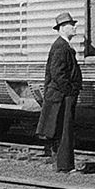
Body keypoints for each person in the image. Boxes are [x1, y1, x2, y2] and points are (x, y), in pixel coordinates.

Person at [36, 11, 83, 173]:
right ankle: (65, 166)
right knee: (65, 131)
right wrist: (69, 91)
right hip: (62, 96)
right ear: (63, 28)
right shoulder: (61, 47)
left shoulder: (62, 46)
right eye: (71, 25)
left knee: (63, 130)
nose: (74, 27)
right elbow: (57, 73)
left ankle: (64, 164)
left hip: (62, 95)